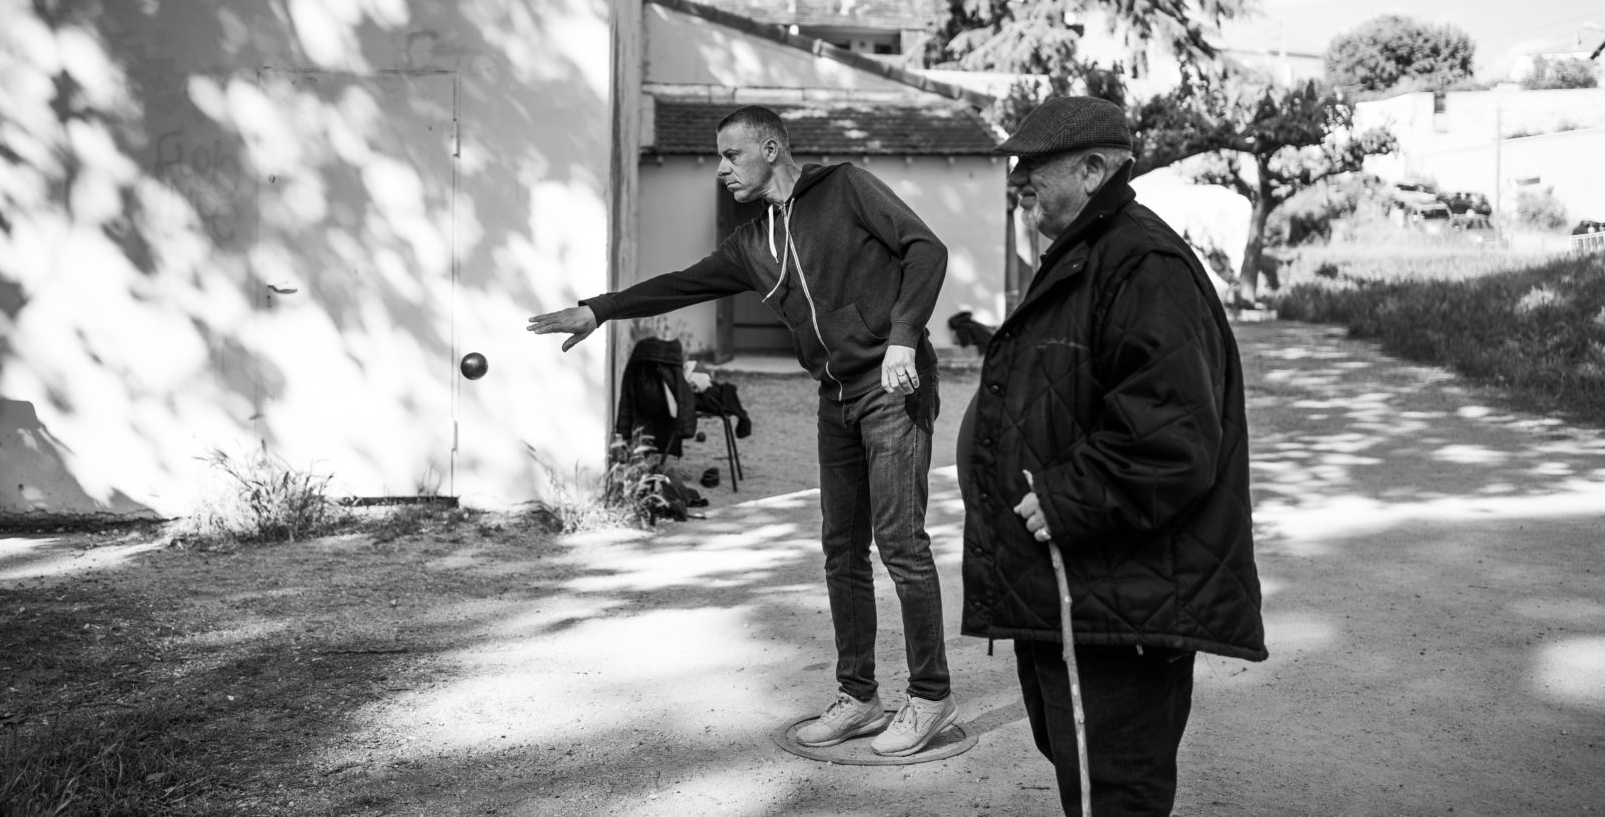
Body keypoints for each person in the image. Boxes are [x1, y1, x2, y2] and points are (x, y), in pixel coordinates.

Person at [528, 105, 958, 757]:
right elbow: (682, 284)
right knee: (841, 549)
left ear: (771, 147)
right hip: (836, 396)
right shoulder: (753, 244)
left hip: (892, 387)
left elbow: (927, 249)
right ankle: (860, 697)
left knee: (900, 542)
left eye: (731, 154)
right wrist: (600, 309)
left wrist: (903, 335)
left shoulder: (846, 188)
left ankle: (929, 695)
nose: (721, 169)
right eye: (718, 157)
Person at [959, 95, 1267, 815]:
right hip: (1082, 593)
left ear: (1093, 169)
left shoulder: (1141, 262)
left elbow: (1172, 435)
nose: (1018, 178)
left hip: (1117, 603)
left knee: (1112, 792)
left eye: (1033, 164)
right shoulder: (1091, 251)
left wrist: (1067, 497)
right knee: (1085, 776)